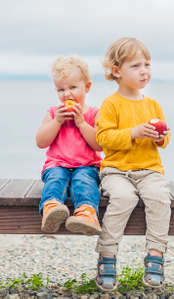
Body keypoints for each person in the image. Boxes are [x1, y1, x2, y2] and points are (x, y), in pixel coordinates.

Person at [95, 37, 171, 291]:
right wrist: (133, 133)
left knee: (160, 199)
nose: (144, 71)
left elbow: (165, 139)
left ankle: (156, 255)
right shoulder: (111, 104)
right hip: (117, 170)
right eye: (136, 66)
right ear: (116, 71)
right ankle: (107, 255)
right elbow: (103, 138)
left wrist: (161, 136)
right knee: (123, 199)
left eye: (147, 64)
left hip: (149, 170)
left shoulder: (153, 105)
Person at [36, 55, 102, 235]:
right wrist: (57, 122)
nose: (67, 94)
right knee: (56, 178)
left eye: (73, 87)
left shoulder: (94, 113)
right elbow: (41, 142)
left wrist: (81, 123)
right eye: (61, 89)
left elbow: (99, 144)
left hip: (86, 165)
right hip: (57, 164)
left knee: (84, 181)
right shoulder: (53, 113)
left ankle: (87, 213)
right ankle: (51, 209)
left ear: (87, 87)